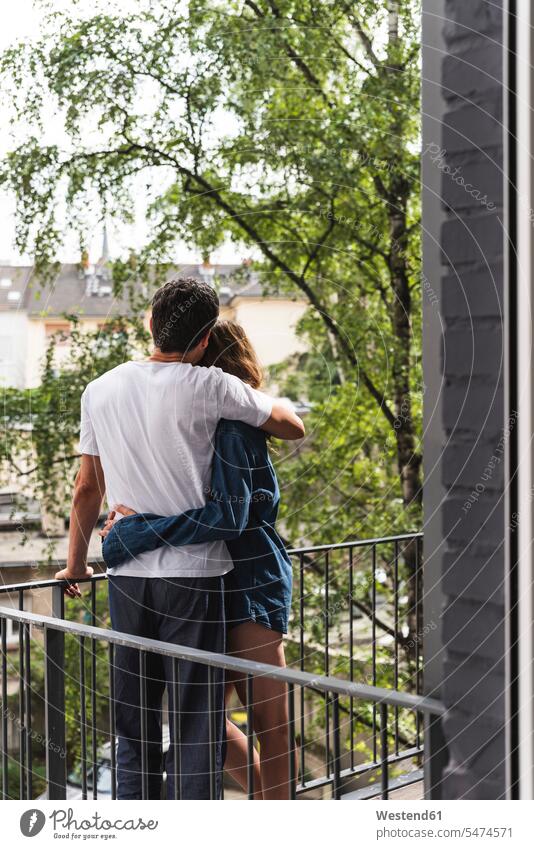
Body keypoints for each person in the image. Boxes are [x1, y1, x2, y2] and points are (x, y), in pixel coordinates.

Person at [55, 280, 304, 800]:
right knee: (199, 722)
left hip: (183, 578)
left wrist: (98, 552)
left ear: (150, 322)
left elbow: (88, 488)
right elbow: (290, 425)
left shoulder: (114, 391)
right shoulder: (204, 394)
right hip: (196, 576)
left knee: (164, 721)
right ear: (204, 338)